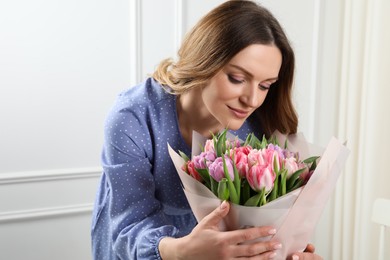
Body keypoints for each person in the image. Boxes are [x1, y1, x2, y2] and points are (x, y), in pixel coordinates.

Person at [91, 1, 322, 259]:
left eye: (265, 85)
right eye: (237, 78)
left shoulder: (261, 125)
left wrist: (285, 250)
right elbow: (129, 225)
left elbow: (261, 225)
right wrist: (183, 251)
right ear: (205, 61)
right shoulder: (134, 117)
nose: (253, 100)